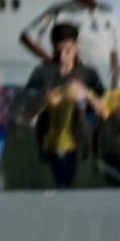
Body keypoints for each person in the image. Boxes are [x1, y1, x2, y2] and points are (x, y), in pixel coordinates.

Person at [23, 23, 106, 189]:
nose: (62, 57)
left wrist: (86, 95)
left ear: (76, 46)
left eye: (67, 50)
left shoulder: (88, 74)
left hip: (81, 145)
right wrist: (45, 99)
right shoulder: (42, 73)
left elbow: (104, 110)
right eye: (57, 51)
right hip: (48, 145)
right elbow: (26, 113)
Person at [19, 0, 119, 91]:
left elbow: (113, 50)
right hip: (74, 84)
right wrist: (51, 60)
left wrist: (115, 82)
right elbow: (27, 36)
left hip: (103, 85)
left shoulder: (107, 12)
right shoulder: (60, 10)